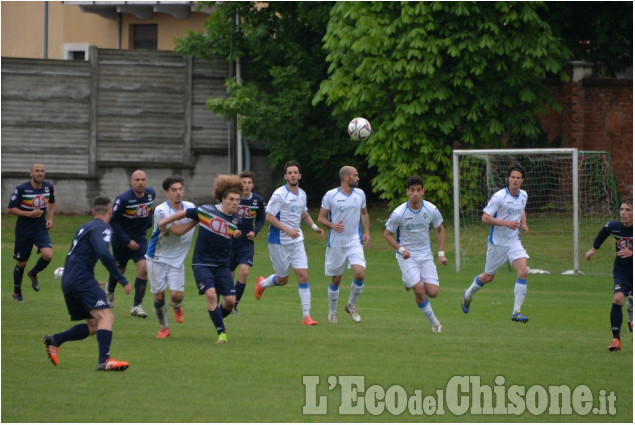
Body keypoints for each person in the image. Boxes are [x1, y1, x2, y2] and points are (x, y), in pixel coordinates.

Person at [43, 196, 131, 371]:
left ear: (93, 212)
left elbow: (77, 256)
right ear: (110, 211)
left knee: (94, 326)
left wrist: (87, 280)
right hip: (81, 279)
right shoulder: (103, 227)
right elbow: (104, 253)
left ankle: (55, 340)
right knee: (107, 317)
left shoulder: (84, 227)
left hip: (71, 280)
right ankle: (104, 361)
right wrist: (121, 280)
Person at [159, 174, 243, 344]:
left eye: (238, 200)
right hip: (202, 263)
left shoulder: (236, 219)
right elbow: (184, 213)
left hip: (222, 265)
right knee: (211, 294)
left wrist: (237, 234)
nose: (235, 203)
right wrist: (164, 222)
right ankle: (221, 333)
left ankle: (218, 318)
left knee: (230, 301)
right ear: (223, 199)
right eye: (232, 199)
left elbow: (228, 238)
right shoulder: (206, 210)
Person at [254, 160, 324, 326]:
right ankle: (262, 283)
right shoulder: (279, 195)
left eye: (295, 173)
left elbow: (303, 213)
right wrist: (287, 230)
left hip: (297, 242)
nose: (293, 175)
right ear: (286, 176)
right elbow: (269, 217)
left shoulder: (302, 194)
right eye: (290, 173)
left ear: (299, 175)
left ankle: (306, 316)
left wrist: (315, 227)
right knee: (283, 279)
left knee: (303, 275)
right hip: (278, 242)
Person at [461, 162, 530, 323]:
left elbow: (522, 209)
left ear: (522, 181)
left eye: (518, 178)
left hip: (513, 241)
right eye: (512, 177)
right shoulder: (500, 196)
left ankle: (516, 312)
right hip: (497, 243)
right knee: (488, 277)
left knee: (523, 272)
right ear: (508, 179)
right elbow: (485, 217)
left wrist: (524, 223)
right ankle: (468, 294)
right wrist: (507, 224)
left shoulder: (524, 195)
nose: (515, 180)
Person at [384, 175, 447, 333]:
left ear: (423, 191)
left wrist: (441, 253)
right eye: (412, 190)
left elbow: (440, 229)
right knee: (419, 289)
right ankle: (435, 323)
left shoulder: (431, 209)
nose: (416, 194)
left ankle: (409, 280)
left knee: (433, 292)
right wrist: (401, 249)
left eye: (419, 190)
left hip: (425, 256)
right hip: (407, 256)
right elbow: (387, 234)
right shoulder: (399, 213)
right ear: (407, 192)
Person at [317, 166, 370, 323]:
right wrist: (333, 225)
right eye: (355, 175)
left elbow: (364, 213)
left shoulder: (360, 194)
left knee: (360, 273)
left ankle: (351, 305)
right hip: (336, 242)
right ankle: (332, 312)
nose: (358, 178)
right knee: (336, 279)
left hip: (354, 240)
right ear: (346, 178)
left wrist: (367, 232)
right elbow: (321, 218)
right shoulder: (331, 195)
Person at [146, 176, 197, 339]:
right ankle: (164, 327)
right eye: (174, 190)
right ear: (167, 193)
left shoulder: (190, 207)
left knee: (177, 296)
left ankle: (176, 305)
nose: (178, 193)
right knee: (159, 296)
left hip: (176, 261)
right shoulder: (161, 211)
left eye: (180, 189)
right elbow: (177, 231)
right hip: (157, 258)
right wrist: (196, 220)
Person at [106, 170, 156, 318]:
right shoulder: (123, 199)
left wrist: (148, 224)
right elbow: (113, 221)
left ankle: (136, 306)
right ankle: (110, 290)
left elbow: (149, 210)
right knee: (120, 269)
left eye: (143, 179)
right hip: (121, 240)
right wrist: (127, 241)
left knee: (144, 269)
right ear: (132, 182)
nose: (140, 182)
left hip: (140, 239)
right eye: (137, 180)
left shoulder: (151, 194)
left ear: (146, 181)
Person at [585, 198, 633, 352]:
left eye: (628, 210)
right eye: (622, 209)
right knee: (618, 298)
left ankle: (631, 320)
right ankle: (616, 339)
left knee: (630, 301)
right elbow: (605, 230)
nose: (623, 213)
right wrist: (594, 248)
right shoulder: (615, 226)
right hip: (622, 270)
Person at [7, 163, 56, 302]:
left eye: (42, 171)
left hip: (40, 229)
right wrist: (28, 214)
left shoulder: (48, 187)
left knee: (48, 255)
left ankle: (33, 273)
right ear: (31, 174)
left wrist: (51, 218)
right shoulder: (22, 189)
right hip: (24, 231)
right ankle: (17, 291)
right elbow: (10, 209)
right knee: (21, 262)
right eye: (37, 171)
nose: (40, 173)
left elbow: (52, 202)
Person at [229, 170, 266, 314]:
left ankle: (234, 304)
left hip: (246, 243)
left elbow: (261, 219)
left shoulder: (258, 201)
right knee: (229, 275)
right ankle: (228, 300)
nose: (246, 185)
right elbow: (223, 216)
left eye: (249, 182)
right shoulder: (232, 199)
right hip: (231, 242)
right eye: (243, 182)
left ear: (253, 185)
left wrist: (254, 231)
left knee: (244, 273)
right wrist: (232, 230)